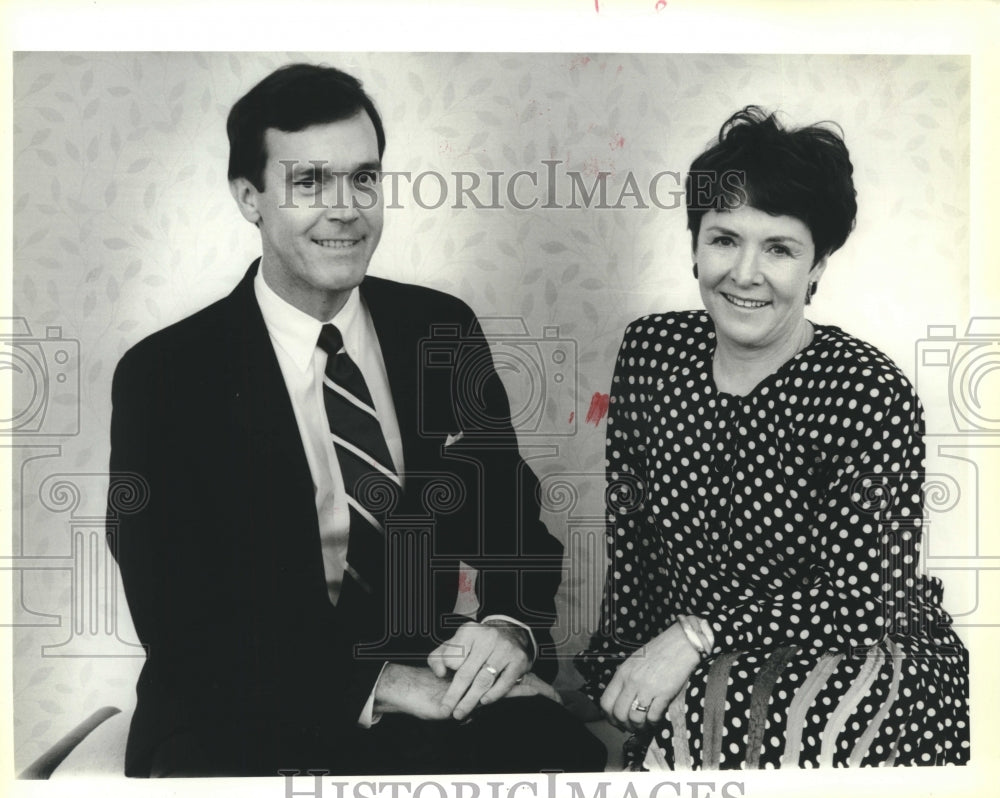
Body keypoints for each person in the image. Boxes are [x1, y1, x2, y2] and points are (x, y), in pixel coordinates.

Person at [106, 63, 605, 777]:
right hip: (240, 704)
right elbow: (175, 616)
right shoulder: (165, 375)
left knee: (565, 759)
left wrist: (507, 629)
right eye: (309, 182)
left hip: (426, 667)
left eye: (364, 179)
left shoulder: (441, 328)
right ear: (249, 198)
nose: (346, 208)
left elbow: (510, 519)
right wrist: (379, 686)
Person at [575, 106, 970, 769]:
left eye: (779, 248)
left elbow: (859, 605)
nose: (746, 273)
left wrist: (699, 636)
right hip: (695, 654)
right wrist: (620, 674)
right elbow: (634, 541)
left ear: (818, 265)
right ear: (694, 245)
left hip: (849, 651)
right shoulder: (652, 352)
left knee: (748, 713)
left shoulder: (867, 393)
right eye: (724, 239)